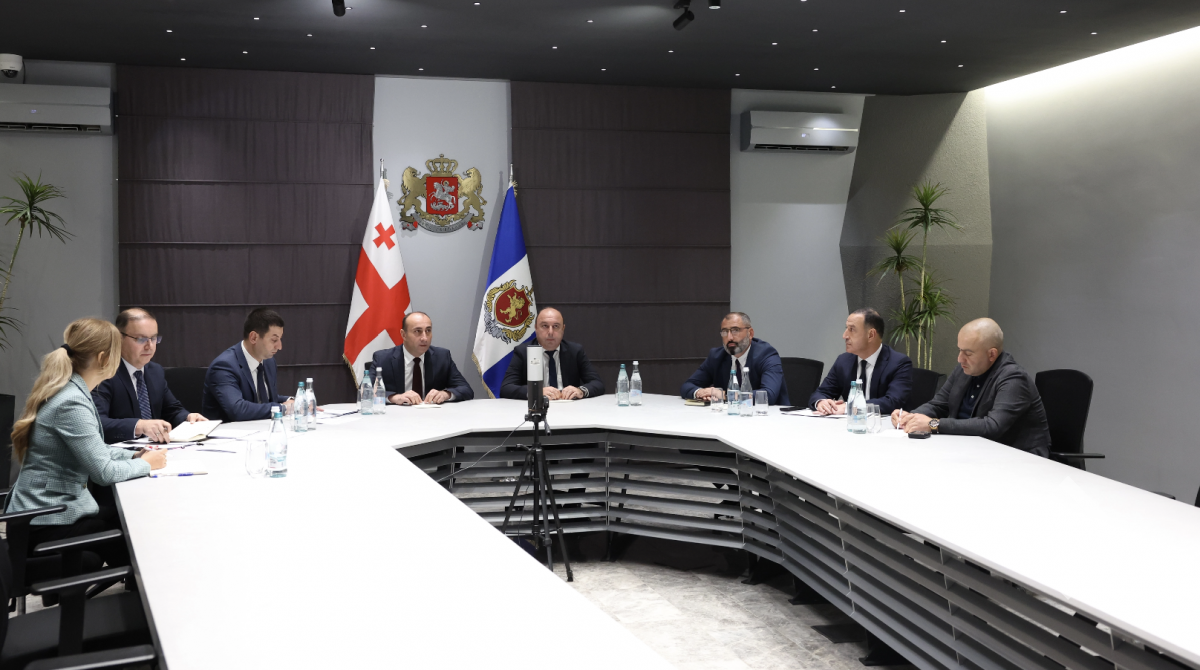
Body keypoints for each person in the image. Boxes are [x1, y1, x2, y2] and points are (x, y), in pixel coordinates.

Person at [5, 318, 166, 569]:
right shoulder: (72, 402)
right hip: (47, 522)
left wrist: (134, 456)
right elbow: (104, 473)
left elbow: (95, 449)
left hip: (50, 513)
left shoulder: (74, 390)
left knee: (132, 523)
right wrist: (147, 465)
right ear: (104, 359)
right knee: (138, 537)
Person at [892, 318, 1051, 457]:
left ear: (992, 354)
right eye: (960, 350)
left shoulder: (1014, 378)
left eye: (968, 353)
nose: (960, 359)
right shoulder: (964, 370)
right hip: (971, 450)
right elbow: (938, 405)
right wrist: (909, 417)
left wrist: (933, 424)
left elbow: (992, 426)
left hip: (1017, 459)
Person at [92, 308, 207, 444]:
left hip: (155, 448)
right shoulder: (103, 373)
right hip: (118, 451)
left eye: (153, 338)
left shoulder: (155, 371)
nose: (149, 346)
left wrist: (188, 418)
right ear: (119, 338)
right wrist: (139, 426)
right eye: (141, 339)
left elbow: (171, 410)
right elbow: (96, 423)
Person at [811, 308, 912, 416]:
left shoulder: (898, 363)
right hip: (848, 424)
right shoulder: (843, 361)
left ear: (871, 335)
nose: (844, 336)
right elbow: (821, 392)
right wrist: (821, 402)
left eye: (852, 329)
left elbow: (893, 402)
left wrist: (851, 408)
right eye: (846, 329)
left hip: (881, 424)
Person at [201, 308, 292, 422]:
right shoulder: (224, 366)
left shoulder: (268, 361)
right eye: (274, 340)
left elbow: (265, 398)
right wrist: (284, 408)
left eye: (280, 339)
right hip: (229, 431)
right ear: (253, 337)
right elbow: (238, 410)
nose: (279, 346)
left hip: (259, 428)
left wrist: (292, 401)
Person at [681, 312, 790, 405]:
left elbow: (768, 395)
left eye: (735, 330)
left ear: (750, 333)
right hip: (728, 417)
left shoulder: (767, 355)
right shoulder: (716, 356)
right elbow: (687, 385)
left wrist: (725, 395)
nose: (729, 337)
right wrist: (700, 393)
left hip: (769, 418)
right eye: (724, 332)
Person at [501, 308, 604, 400]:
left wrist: (581, 391)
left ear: (563, 329)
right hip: (537, 407)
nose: (550, 332)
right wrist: (536, 391)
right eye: (545, 326)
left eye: (556, 326)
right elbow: (506, 388)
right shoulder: (523, 351)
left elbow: (597, 383)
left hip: (569, 407)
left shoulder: (575, 351)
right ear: (536, 328)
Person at [371, 311, 473, 405]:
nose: (424, 338)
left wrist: (445, 394)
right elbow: (366, 391)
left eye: (428, 330)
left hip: (432, 415)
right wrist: (394, 397)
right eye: (417, 331)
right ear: (404, 335)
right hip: (397, 415)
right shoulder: (382, 359)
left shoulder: (442, 357)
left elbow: (466, 389)